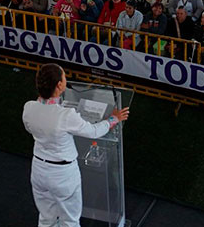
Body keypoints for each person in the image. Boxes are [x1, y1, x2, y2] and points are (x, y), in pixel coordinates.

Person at [22, 64, 130, 227]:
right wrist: (113, 119)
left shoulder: (28, 108)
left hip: (38, 170)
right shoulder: (66, 115)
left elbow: (31, 128)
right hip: (63, 175)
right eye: (64, 77)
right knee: (70, 220)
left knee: (46, 217)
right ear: (59, 85)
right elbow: (93, 131)